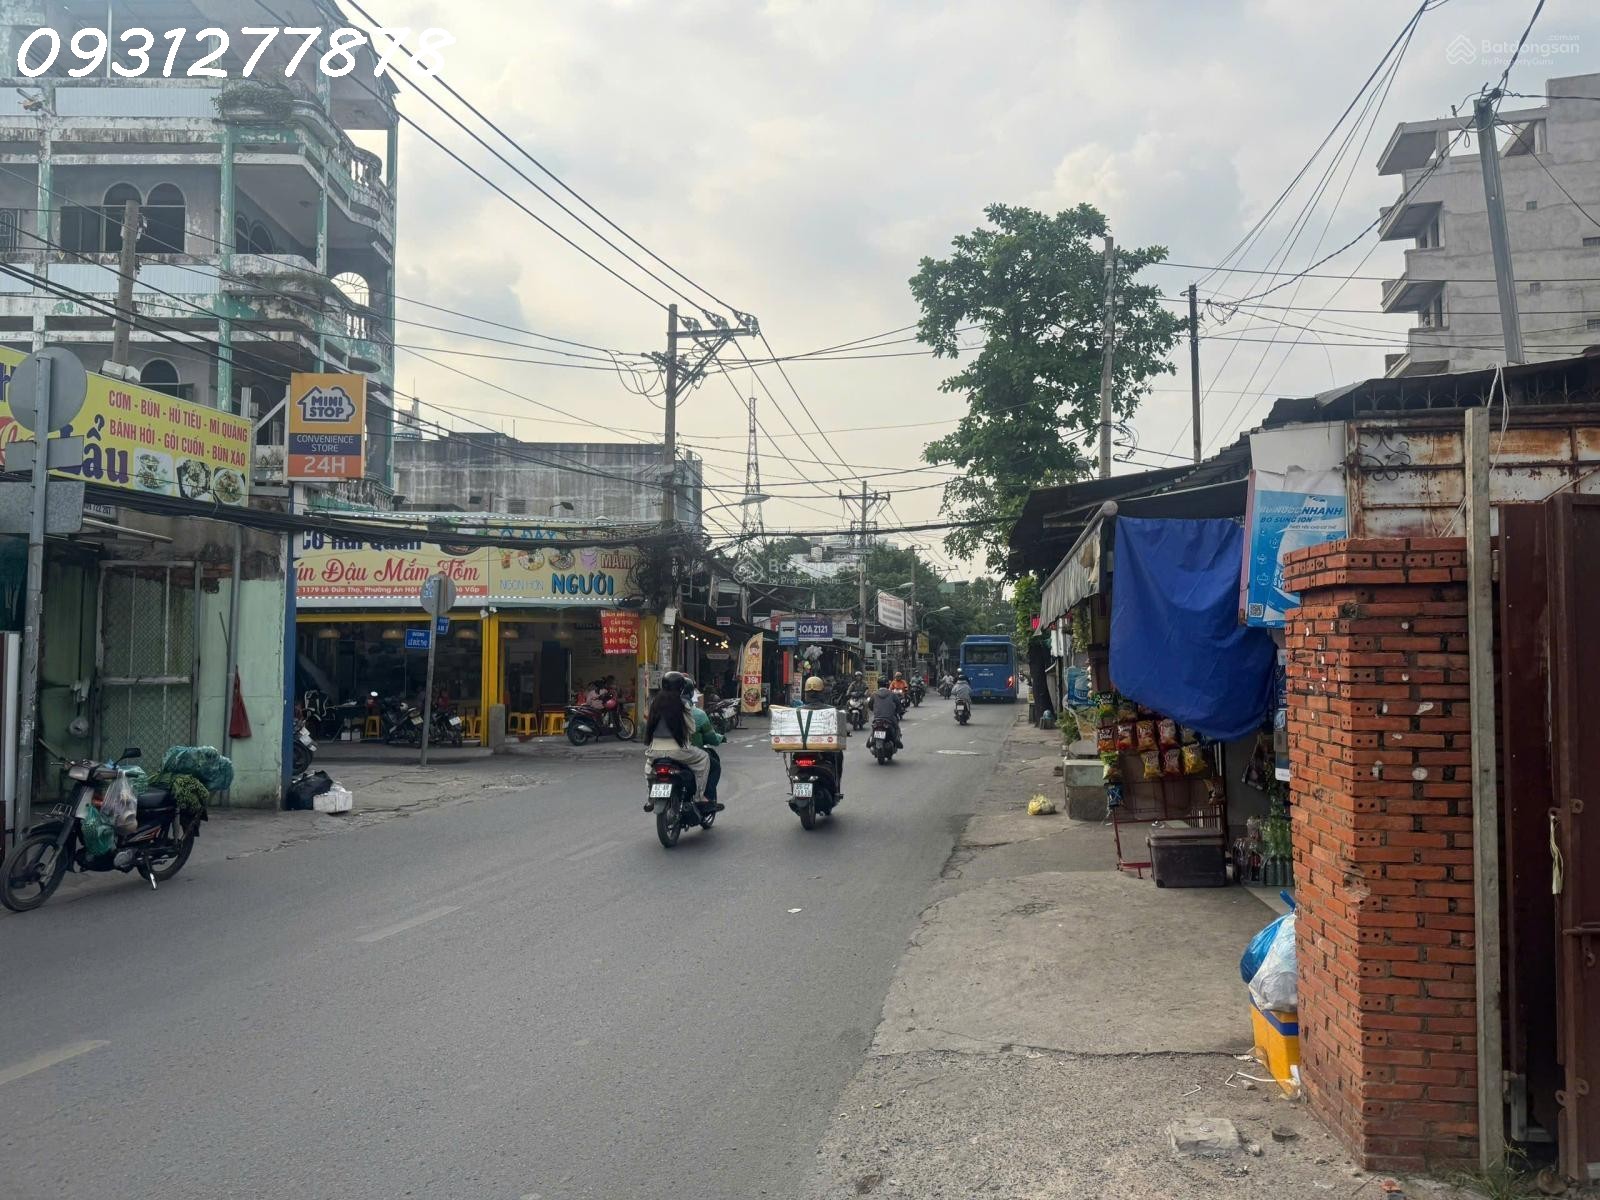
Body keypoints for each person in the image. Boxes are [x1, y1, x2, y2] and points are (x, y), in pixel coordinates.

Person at [642, 671, 716, 811]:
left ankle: (650, 800)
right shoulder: (682, 704)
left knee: (649, 770)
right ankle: (699, 797)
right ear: (681, 687)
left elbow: (649, 727)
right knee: (704, 758)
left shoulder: (654, 703)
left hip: (654, 751)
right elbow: (692, 728)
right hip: (678, 751)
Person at [801, 675, 844, 793]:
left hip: (801, 749)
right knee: (838, 755)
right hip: (824, 750)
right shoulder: (831, 710)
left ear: (806, 693)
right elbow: (839, 728)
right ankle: (836, 788)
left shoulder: (798, 710)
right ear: (821, 693)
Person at [871, 681, 904, 749]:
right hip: (889, 717)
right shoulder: (892, 694)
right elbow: (898, 704)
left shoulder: (874, 694)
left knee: (874, 726)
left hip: (877, 717)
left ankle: (871, 739)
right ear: (887, 686)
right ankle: (897, 740)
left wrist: (874, 711)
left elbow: (870, 704)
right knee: (896, 727)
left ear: (878, 686)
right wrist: (898, 711)